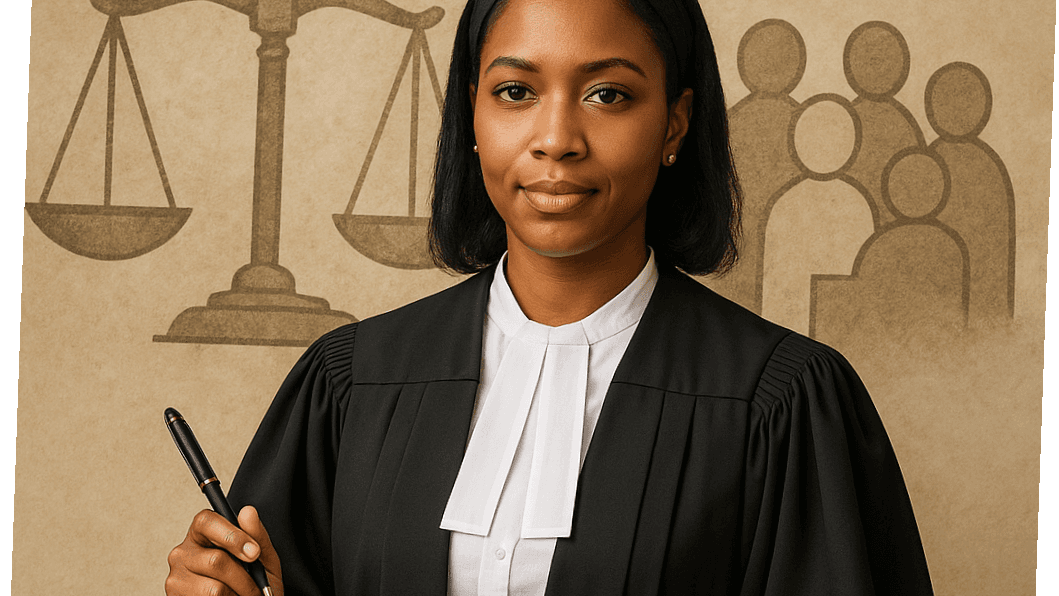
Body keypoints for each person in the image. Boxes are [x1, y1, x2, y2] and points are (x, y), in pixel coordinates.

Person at [165, 0, 935, 594]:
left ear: (674, 123)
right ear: (472, 114)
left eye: (607, 94)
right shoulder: (351, 384)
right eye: (515, 91)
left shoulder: (782, 404)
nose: (556, 137)